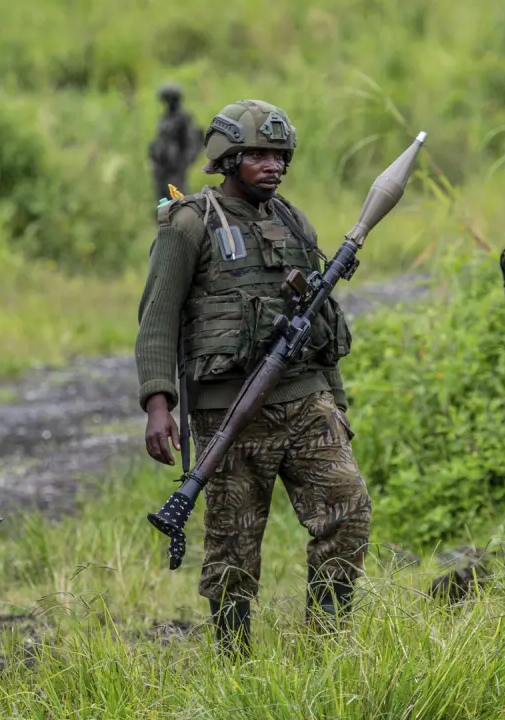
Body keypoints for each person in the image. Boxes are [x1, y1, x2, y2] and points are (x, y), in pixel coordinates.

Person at [135, 99, 372, 654]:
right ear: (227, 158)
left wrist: (336, 401)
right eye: (259, 155)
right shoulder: (190, 224)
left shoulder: (292, 220)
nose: (274, 166)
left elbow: (318, 318)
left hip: (306, 400)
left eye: (281, 156)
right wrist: (158, 404)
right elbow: (157, 318)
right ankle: (234, 659)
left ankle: (326, 644)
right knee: (234, 546)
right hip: (229, 411)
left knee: (349, 510)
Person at [148, 82, 202, 203]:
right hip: (162, 167)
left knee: (177, 199)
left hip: (175, 167)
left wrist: (183, 163)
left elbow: (191, 142)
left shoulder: (183, 118)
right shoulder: (165, 117)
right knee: (162, 200)